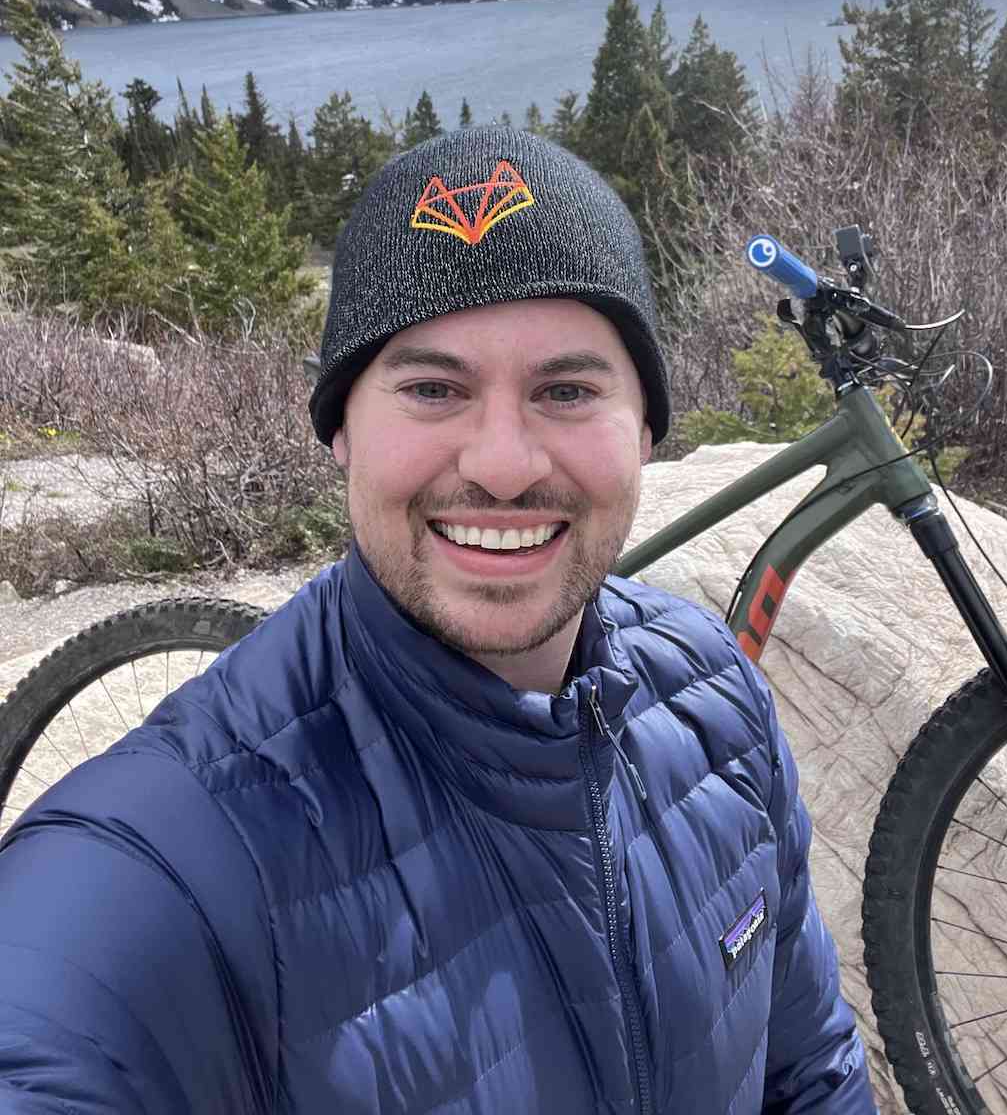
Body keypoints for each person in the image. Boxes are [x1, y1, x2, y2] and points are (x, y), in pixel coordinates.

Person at [0, 127, 877, 1114]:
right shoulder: (169, 869)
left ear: (644, 427)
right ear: (339, 426)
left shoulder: (718, 697)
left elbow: (811, 1071)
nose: (502, 463)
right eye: (431, 388)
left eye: (568, 389)